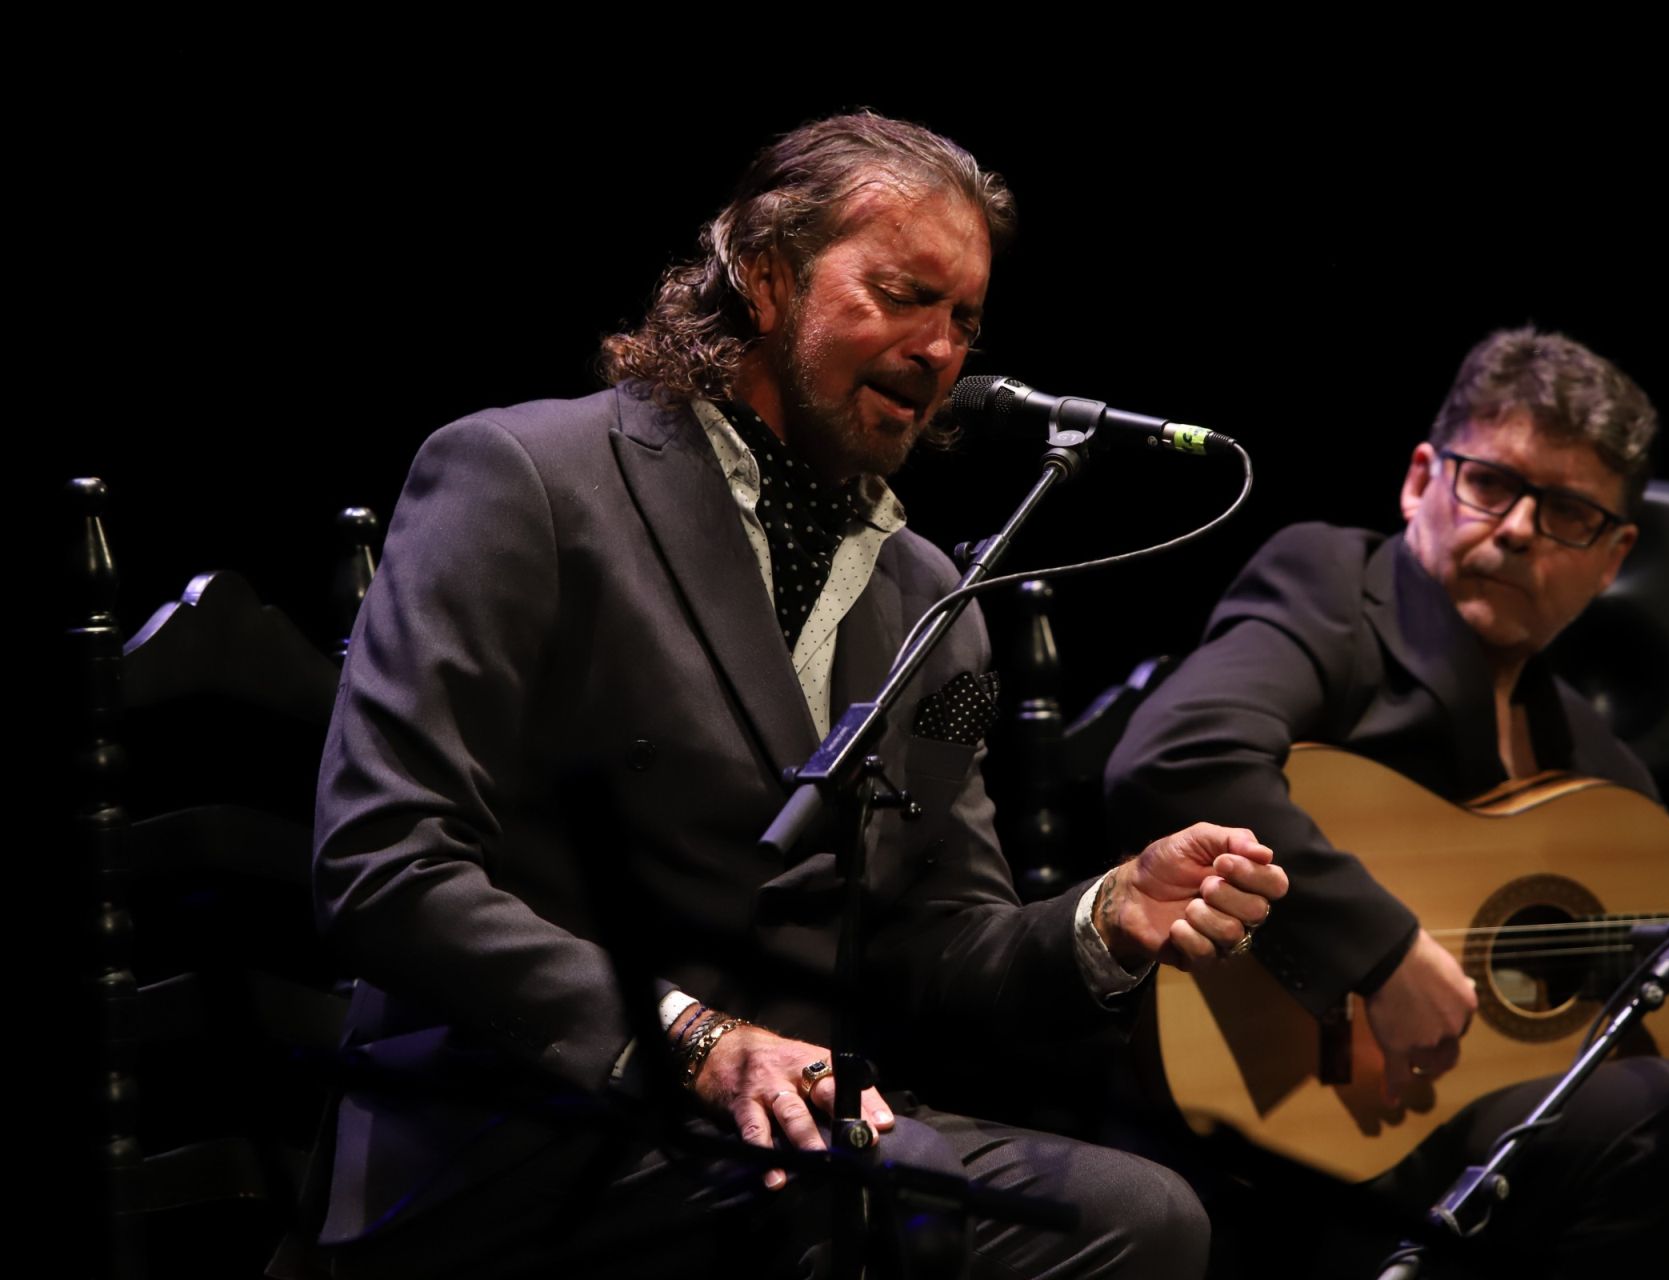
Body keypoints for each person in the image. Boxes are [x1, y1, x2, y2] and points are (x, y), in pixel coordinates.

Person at [285, 113, 1287, 1280]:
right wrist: (696, 1041)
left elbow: (933, 949)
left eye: (964, 318)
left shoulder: (933, 597)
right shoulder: (527, 480)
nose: (940, 347)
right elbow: (380, 861)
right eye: (905, 293)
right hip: (514, 1122)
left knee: (1147, 1212)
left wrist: (1102, 917)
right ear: (765, 278)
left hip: (785, 1143)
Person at [1104, 328, 1669, 1278]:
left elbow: (1602, 1044)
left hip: (1476, 1132)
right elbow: (1179, 754)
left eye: (1567, 511)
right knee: (1666, 1114)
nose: (1518, 528)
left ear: (1614, 558)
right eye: (1491, 484)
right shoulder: (1333, 588)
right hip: (1297, 1120)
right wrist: (1383, 952)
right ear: (1420, 480)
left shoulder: (1606, 776)